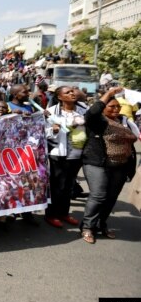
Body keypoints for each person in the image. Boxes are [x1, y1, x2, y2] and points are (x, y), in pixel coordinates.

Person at [80, 86, 137, 244]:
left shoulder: (123, 121)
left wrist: (130, 168)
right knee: (98, 195)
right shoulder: (97, 122)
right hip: (97, 163)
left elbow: (131, 145)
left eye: (118, 106)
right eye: (111, 106)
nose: (116, 109)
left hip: (120, 166)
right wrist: (109, 94)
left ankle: (101, 224)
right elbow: (91, 112)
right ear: (103, 108)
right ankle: (87, 227)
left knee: (111, 198)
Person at [44, 86, 87, 228]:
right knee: (57, 186)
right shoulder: (50, 112)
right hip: (59, 154)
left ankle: (64, 213)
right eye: (67, 92)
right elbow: (44, 133)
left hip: (77, 154)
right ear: (60, 97)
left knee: (69, 186)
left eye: (72, 91)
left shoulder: (83, 110)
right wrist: (53, 130)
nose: (72, 93)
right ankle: (51, 215)